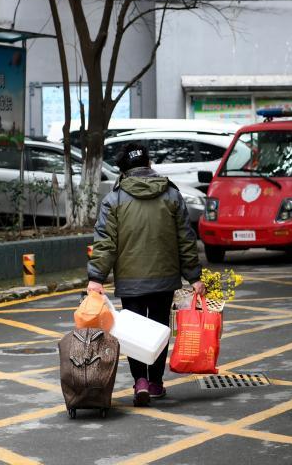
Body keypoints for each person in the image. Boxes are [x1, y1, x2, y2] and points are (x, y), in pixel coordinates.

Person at [87, 141, 205, 407]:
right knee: (159, 328)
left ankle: (139, 381)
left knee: (135, 332)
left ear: (123, 169)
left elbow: (105, 242)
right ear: (149, 165)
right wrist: (194, 277)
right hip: (165, 279)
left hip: (130, 281)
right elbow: (185, 239)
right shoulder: (172, 195)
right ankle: (155, 383)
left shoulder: (113, 199)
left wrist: (96, 278)